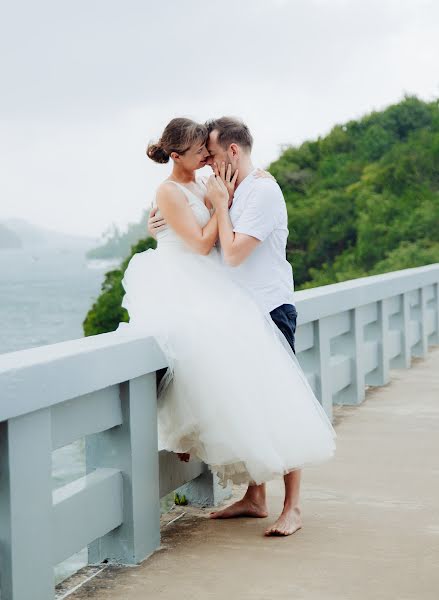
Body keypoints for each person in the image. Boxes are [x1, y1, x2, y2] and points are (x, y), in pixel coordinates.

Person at [118, 117, 336, 537]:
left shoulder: (256, 190)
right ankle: (256, 498)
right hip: (234, 304)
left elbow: (225, 248)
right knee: (247, 398)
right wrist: (177, 218)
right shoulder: (209, 186)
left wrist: (219, 202)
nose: (207, 161)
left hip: (268, 305)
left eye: (211, 153)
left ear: (230, 152)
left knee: (278, 401)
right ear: (179, 154)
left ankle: (293, 507)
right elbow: (198, 235)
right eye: (202, 153)